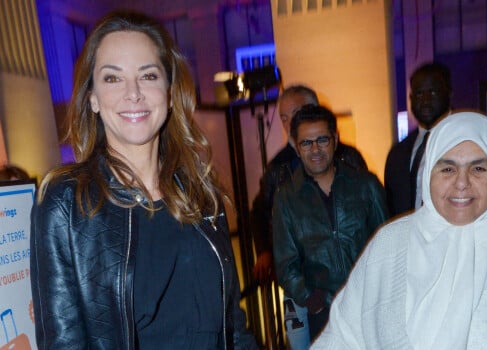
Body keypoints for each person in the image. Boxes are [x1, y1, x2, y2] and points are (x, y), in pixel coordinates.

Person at [30, 11, 258, 350]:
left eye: (148, 75)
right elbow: (65, 343)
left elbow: (233, 327)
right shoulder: (66, 205)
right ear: (92, 97)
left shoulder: (200, 194)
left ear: (168, 92)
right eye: (113, 78)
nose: (133, 93)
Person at [312, 111, 487, 349]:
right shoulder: (388, 246)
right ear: (428, 173)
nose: (461, 183)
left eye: (478, 168)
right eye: (447, 168)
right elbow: (342, 337)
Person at [249, 85, 367, 349]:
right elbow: (258, 212)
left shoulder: (349, 160)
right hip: (301, 282)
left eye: (297, 112)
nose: (290, 120)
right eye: (283, 116)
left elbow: (373, 225)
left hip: (349, 283)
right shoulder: (278, 167)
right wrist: (265, 251)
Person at [272, 104, 389, 343]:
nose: (315, 149)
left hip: (370, 307)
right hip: (323, 314)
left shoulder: (366, 185)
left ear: (335, 139)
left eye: (322, 140)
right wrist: (313, 299)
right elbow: (286, 264)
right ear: (296, 145)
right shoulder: (287, 198)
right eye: (306, 142)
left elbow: (389, 245)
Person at [384, 62, 452, 217]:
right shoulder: (397, 154)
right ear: (410, 98)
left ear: (449, 94)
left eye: (433, 92)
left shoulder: (469, 142)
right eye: (419, 94)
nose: (425, 101)